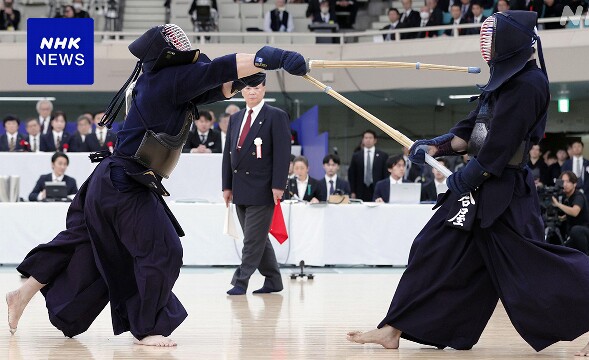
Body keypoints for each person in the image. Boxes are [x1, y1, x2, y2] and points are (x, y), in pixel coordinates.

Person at [7, 23, 307, 347]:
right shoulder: (170, 80)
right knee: (162, 250)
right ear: (167, 55)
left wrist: (242, 80)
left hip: (109, 182)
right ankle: (147, 326)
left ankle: (23, 292)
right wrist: (270, 57)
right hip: (124, 184)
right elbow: (218, 69)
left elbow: (215, 87)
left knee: (86, 242)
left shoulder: (162, 81)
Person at [346, 11, 589, 357]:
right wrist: (434, 146)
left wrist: (463, 179)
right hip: (480, 186)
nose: (486, 44)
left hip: (506, 193)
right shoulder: (500, 81)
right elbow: (469, 132)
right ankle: (394, 328)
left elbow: (500, 147)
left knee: (531, 266)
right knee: (431, 247)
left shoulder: (530, 83)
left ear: (509, 42)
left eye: (491, 37)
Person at [222, 76, 295, 296]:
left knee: (252, 240)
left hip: (264, 189)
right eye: (247, 88)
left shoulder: (275, 116)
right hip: (240, 188)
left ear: (263, 89)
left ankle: (240, 281)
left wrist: (278, 185)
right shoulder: (235, 118)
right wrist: (227, 185)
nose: (252, 91)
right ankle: (273, 280)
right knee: (258, 239)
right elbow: (229, 154)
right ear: (241, 92)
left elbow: (283, 154)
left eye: (256, 87)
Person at [551, 171, 589, 263]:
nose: (565, 184)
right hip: (576, 233)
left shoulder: (578, 195)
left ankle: (586, 261)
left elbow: (575, 212)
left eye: (568, 182)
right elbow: (571, 213)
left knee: (576, 230)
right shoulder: (565, 197)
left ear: (574, 184)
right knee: (564, 250)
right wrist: (563, 218)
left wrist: (558, 204)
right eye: (563, 181)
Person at [348, 130, 389, 201]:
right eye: (366, 138)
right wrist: (352, 191)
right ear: (363, 140)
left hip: (377, 189)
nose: (368, 140)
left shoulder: (383, 156)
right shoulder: (356, 155)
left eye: (370, 138)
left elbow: (385, 174)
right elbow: (352, 174)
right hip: (360, 189)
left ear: (375, 140)